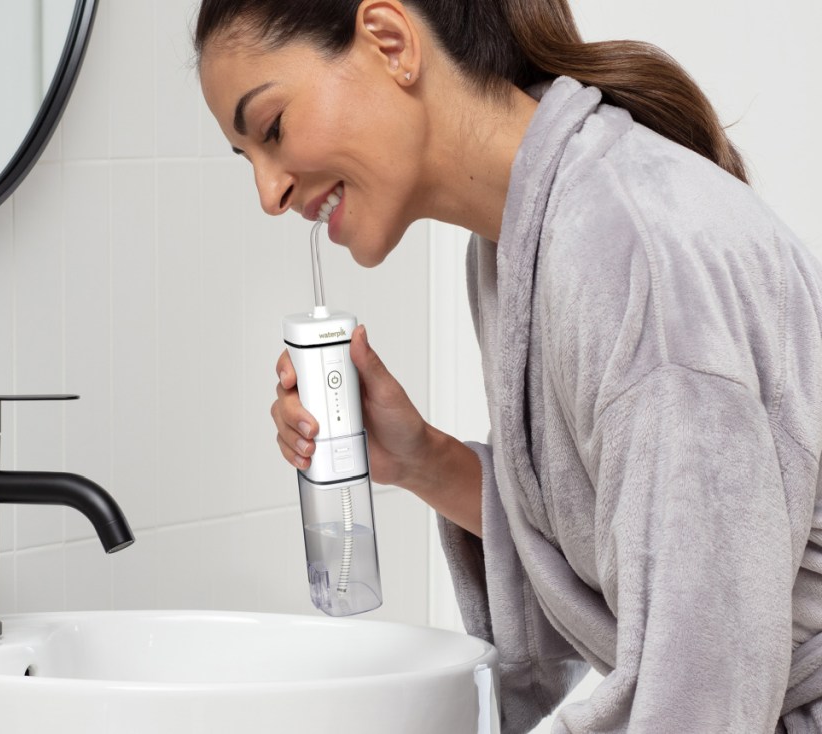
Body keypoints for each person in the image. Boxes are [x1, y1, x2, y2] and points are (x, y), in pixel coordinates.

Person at [193, 0, 822, 731]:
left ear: (391, 42)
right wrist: (423, 459)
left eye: (272, 129)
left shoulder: (626, 247)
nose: (270, 194)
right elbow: (632, 566)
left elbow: (702, 683)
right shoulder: (520, 238)